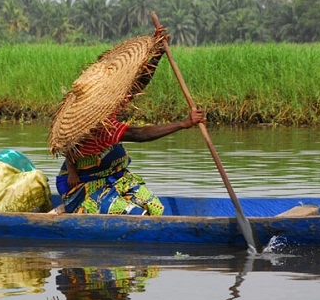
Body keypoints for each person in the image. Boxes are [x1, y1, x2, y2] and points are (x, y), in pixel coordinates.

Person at [54, 29, 206, 216]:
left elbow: (139, 83)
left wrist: (158, 54)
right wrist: (184, 123)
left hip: (115, 178)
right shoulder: (96, 127)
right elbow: (139, 134)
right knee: (135, 215)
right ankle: (71, 208)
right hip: (85, 187)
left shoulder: (107, 106)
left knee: (155, 208)